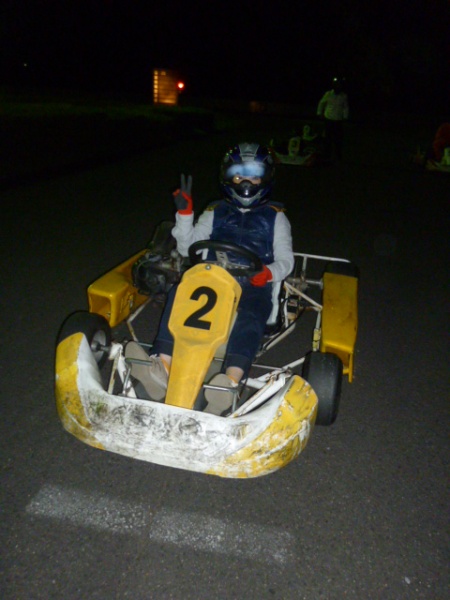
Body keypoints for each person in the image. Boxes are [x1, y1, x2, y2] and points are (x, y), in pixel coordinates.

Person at [128, 143, 294, 415]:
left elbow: (286, 260)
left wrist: (269, 273)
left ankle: (230, 381)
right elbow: (186, 248)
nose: (246, 183)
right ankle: (162, 365)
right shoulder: (214, 210)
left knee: (252, 313)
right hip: (212, 277)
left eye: (254, 176)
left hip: (253, 283)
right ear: (227, 177)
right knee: (180, 292)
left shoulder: (276, 218)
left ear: (265, 178)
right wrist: (185, 214)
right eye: (239, 175)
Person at [317, 77, 349, 162]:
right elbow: (321, 103)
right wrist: (319, 113)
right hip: (329, 119)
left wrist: (345, 116)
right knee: (327, 138)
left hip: (338, 120)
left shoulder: (343, 96)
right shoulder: (328, 94)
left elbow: (345, 107)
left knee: (338, 139)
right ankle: (327, 154)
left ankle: (338, 155)